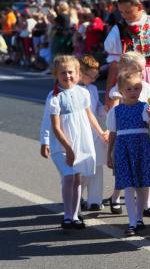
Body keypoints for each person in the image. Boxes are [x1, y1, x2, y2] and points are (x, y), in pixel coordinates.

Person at [104, 0, 150, 156]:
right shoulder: (119, 29)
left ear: (139, 7)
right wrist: (108, 92)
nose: (125, 15)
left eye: (128, 11)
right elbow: (114, 64)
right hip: (129, 80)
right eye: (121, 12)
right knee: (134, 121)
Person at [47, 55, 107, 229]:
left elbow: (90, 116)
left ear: (78, 73)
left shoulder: (83, 93)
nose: (67, 76)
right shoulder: (55, 97)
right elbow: (56, 127)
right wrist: (68, 148)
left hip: (81, 142)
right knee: (68, 177)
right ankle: (67, 215)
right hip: (63, 146)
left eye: (71, 72)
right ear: (56, 75)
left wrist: (101, 132)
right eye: (63, 73)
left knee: (77, 179)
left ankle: (75, 215)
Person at [106, 72, 150, 236]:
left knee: (142, 184)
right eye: (129, 89)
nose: (133, 92)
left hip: (141, 147)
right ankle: (132, 222)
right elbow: (112, 133)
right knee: (128, 186)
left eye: (137, 88)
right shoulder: (115, 111)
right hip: (123, 149)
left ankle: (139, 219)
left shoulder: (144, 107)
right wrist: (109, 153)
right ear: (121, 91)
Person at [79, 55, 108, 211]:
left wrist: (105, 109)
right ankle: (76, 197)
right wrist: (101, 131)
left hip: (95, 132)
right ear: (81, 72)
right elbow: (87, 114)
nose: (94, 79)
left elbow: (96, 108)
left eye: (96, 76)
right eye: (90, 76)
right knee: (84, 168)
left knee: (97, 167)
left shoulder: (93, 88)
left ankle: (95, 200)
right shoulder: (76, 90)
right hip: (83, 132)